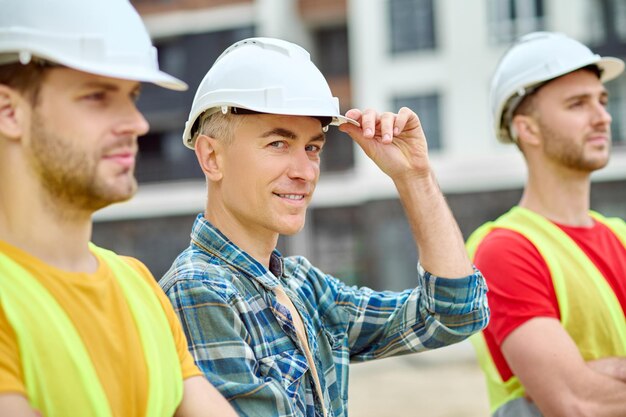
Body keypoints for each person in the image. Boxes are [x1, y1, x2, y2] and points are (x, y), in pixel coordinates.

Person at [160, 36, 489, 417]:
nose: (304, 172)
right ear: (211, 157)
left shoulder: (302, 287)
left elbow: (454, 314)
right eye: (278, 144)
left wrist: (414, 176)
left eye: (312, 148)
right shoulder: (199, 290)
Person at [0, 0, 239, 416]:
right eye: (96, 96)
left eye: (132, 96)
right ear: (9, 112)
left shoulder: (139, 287)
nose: (137, 123)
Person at [466, 31, 626, 416]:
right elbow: (577, 403)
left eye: (602, 101)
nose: (602, 116)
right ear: (528, 129)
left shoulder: (620, 236)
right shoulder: (504, 250)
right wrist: (580, 386)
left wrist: (593, 379)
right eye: (577, 104)